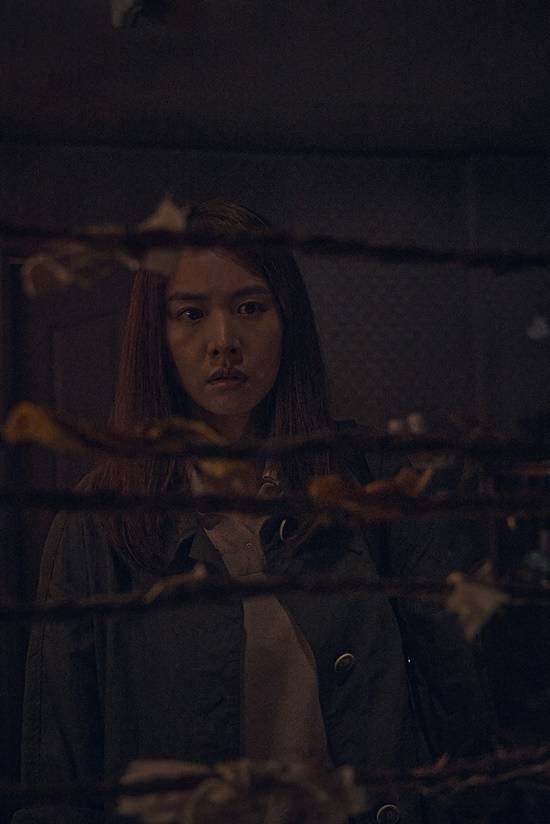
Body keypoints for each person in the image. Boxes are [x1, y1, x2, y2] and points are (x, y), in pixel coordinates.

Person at [13, 199, 495, 824]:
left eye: (249, 307)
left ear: (285, 320)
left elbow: (458, 711)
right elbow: (59, 774)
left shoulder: (366, 483)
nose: (224, 342)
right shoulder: (95, 524)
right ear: (156, 336)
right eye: (191, 313)